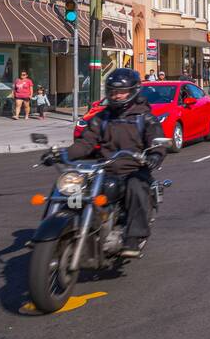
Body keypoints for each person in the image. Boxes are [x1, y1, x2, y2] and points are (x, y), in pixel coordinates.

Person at [62, 68, 165, 258]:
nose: (116, 96)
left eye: (121, 92)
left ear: (133, 91)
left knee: (136, 187)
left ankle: (133, 238)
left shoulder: (145, 118)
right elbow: (86, 143)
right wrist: (63, 153)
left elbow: (157, 141)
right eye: (112, 92)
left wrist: (155, 156)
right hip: (103, 171)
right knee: (72, 188)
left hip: (134, 169)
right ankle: (61, 229)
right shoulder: (102, 118)